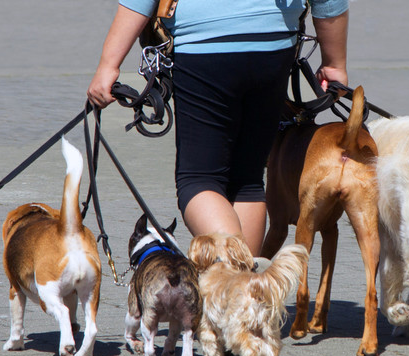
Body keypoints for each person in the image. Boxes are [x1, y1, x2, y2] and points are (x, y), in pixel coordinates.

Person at [87, 0, 349, 256]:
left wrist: (109, 64)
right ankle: (245, 292)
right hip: (275, 40)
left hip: (205, 41)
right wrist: (334, 63)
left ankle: (235, 275)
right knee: (247, 179)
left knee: (198, 181)